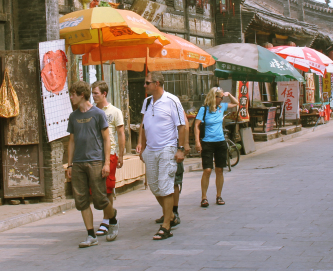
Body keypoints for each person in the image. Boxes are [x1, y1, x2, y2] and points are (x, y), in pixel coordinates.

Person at [64, 81, 117, 248]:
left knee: (100, 199)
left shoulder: (98, 114)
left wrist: (106, 163)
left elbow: (107, 139)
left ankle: (113, 220)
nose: (70, 97)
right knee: (81, 200)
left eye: (72, 94)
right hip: (78, 163)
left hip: (95, 161)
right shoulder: (73, 116)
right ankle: (90, 234)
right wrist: (69, 165)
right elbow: (71, 141)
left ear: (81, 95)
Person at [137, 71, 188, 240]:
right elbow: (144, 125)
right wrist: (142, 146)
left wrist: (181, 148)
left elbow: (182, 126)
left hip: (168, 147)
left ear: (157, 83)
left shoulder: (172, 101)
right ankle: (170, 215)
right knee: (154, 186)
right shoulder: (147, 102)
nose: (144, 86)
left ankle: (166, 225)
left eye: (147, 83)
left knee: (166, 186)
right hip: (151, 149)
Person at [92, 81, 126, 237]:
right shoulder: (91, 111)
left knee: (107, 188)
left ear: (104, 94)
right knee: (96, 190)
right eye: (92, 93)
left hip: (110, 153)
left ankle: (107, 219)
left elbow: (120, 134)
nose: (93, 96)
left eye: (96, 93)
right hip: (94, 154)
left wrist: (121, 154)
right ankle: (110, 212)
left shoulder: (114, 111)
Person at [193, 87, 237, 207]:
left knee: (219, 169)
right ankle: (204, 197)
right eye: (220, 97)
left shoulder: (221, 107)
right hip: (207, 142)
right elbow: (196, 126)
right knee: (207, 170)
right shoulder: (204, 109)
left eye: (222, 98)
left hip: (220, 142)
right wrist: (197, 142)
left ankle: (218, 195)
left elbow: (236, 103)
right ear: (214, 97)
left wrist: (229, 94)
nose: (222, 99)